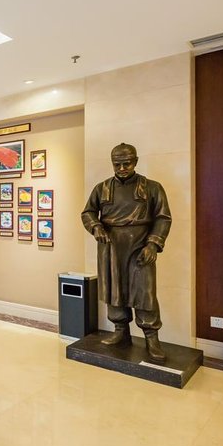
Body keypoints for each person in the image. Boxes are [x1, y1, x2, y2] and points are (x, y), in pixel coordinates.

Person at [81, 143, 172, 361]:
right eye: (117, 164)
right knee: (114, 290)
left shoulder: (152, 187)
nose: (122, 168)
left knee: (144, 292)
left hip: (140, 246)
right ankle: (120, 331)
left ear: (136, 161)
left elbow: (163, 218)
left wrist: (153, 244)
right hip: (110, 247)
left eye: (127, 163)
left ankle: (152, 338)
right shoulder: (101, 188)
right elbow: (88, 213)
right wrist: (96, 227)